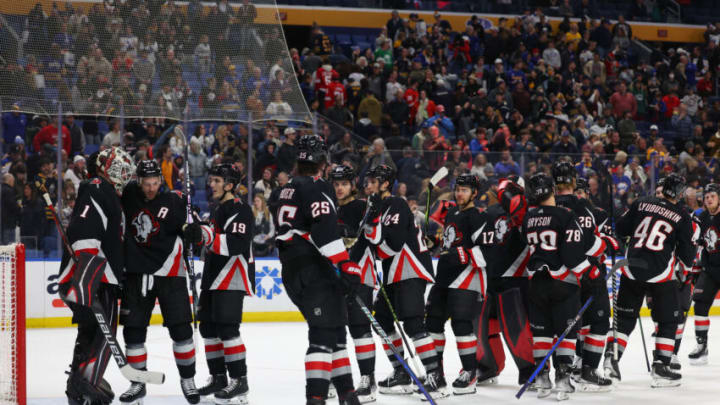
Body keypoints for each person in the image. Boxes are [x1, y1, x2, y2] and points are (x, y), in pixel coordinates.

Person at [274, 135, 363, 405]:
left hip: (293, 271)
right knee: (323, 336)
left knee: (335, 332)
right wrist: (345, 263)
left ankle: (347, 395)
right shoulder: (317, 186)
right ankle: (316, 399)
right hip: (313, 270)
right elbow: (323, 231)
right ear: (322, 161)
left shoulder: (287, 188)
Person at [604, 173, 697, 388]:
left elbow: (622, 229)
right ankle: (661, 367)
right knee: (668, 320)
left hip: (631, 269)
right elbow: (687, 252)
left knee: (625, 320)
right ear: (679, 193)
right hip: (660, 274)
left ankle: (612, 357)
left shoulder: (641, 202)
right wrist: (686, 269)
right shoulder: (682, 215)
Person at [118, 160, 199, 404]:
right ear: (138, 182)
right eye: (146, 184)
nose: (151, 188)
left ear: (161, 182)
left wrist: (192, 229)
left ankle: (188, 380)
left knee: (181, 330)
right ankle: (138, 383)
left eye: (155, 184)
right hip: (136, 273)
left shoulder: (174, 201)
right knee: (133, 332)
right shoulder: (128, 194)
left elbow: (192, 225)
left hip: (170, 274)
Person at [59, 147, 135, 405]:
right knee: (102, 337)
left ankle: (77, 391)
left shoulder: (105, 190)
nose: (123, 175)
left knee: (89, 334)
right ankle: (87, 386)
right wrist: (85, 278)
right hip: (95, 278)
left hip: (93, 277)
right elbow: (85, 229)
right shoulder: (97, 186)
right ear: (105, 168)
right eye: (119, 169)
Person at [362, 164, 445, 399]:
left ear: (386, 183)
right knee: (382, 321)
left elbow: (393, 245)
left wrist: (375, 252)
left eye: (373, 180)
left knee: (414, 325)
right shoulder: (377, 206)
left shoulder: (395, 204)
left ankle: (434, 376)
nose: (368, 184)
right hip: (393, 274)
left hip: (409, 270)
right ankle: (401, 371)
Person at [522, 172, 600, 401]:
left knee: (542, 333)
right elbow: (572, 255)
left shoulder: (528, 217)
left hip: (536, 282)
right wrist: (591, 274)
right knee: (567, 332)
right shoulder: (565, 215)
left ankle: (542, 378)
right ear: (552, 190)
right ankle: (563, 380)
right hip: (562, 283)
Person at [183, 163, 255, 404]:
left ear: (230, 185)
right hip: (213, 275)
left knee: (227, 329)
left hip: (232, 274)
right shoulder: (216, 210)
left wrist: (206, 235)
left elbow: (236, 244)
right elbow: (207, 242)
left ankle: (240, 380)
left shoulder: (240, 209)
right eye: (210, 180)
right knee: (209, 329)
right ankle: (219, 378)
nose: (210, 184)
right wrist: (194, 232)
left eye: (216, 181)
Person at [551, 163, 615, 392]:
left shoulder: (549, 205)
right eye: (576, 190)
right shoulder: (588, 211)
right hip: (586, 274)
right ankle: (586, 368)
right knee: (594, 321)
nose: (579, 195)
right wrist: (606, 244)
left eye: (582, 191)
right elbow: (592, 244)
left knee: (569, 325)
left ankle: (569, 371)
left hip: (558, 278)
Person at [425, 173, 486, 395]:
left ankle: (470, 372)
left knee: (461, 325)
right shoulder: (452, 212)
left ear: (474, 193)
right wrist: (436, 243)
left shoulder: (478, 216)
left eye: (465, 190)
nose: (460, 193)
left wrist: (459, 253)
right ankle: (436, 373)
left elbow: (486, 251)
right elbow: (451, 241)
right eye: (458, 189)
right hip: (444, 276)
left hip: (466, 278)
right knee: (432, 322)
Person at [474, 178, 535, 386]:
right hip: (490, 277)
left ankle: (529, 370)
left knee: (516, 327)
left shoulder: (529, 211)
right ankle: (488, 367)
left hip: (516, 277)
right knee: (484, 326)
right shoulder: (490, 212)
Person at [330, 165, 378, 403]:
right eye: (336, 184)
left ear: (353, 185)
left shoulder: (361, 207)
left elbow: (368, 238)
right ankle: (336, 377)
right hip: (337, 277)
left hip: (359, 274)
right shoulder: (331, 208)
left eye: (344, 184)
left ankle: (368, 379)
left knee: (360, 329)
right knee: (335, 329)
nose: (339, 188)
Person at [689, 183, 720, 365]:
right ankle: (702, 346)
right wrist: (697, 268)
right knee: (699, 306)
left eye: (713, 196)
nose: (709, 199)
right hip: (710, 269)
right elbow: (701, 245)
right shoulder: (702, 218)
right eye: (707, 197)